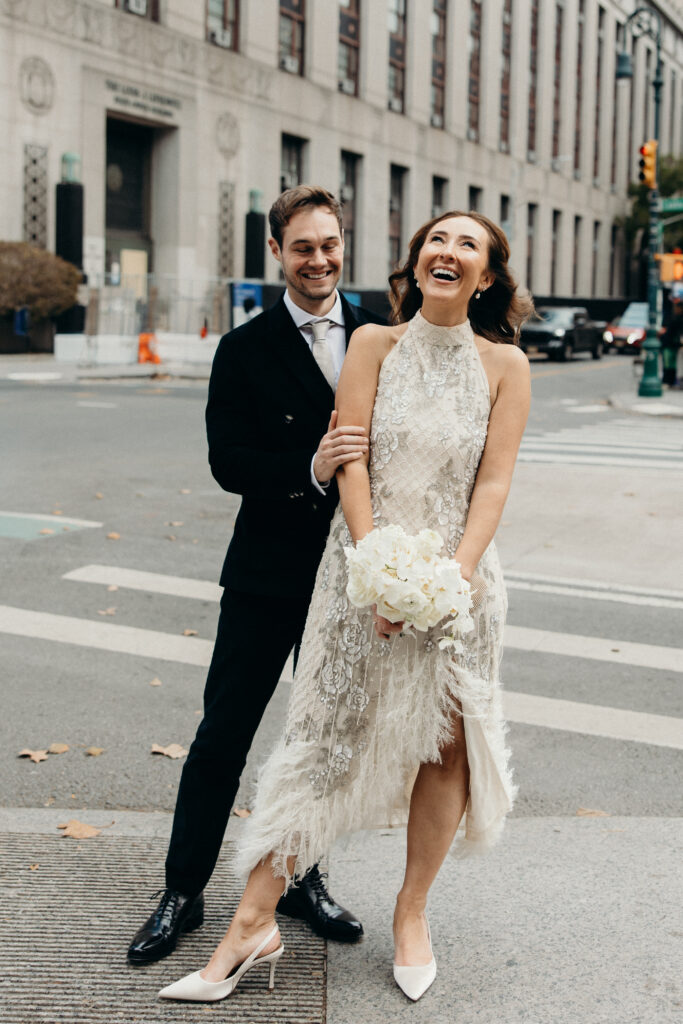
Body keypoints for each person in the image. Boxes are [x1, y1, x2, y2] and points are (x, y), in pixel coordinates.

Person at [158, 210, 532, 1004]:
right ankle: (248, 923)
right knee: (323, 737)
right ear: (415, 258)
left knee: (446, 748)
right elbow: (349, 459)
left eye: (468, 244)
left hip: (461, 585)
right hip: (359, 572)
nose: (448, 251)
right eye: (438, 238)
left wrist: (450, 580)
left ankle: (411, 912)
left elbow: (493, 481)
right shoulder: (372, 345)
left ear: (488, 274)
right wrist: (379, 572)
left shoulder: (506, 366)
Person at [128, 185, 386, 965]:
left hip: (348, 577)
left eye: (330, 244)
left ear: (344, 244)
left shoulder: (381, 331)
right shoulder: (242, 348)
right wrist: (305, 469)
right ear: (276, 252)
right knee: (221, 738)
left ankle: (300, 879)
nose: (319, 259)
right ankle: (183, 888)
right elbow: (226, 462)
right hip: (266, 572)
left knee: (320, 740)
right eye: (303, 247)